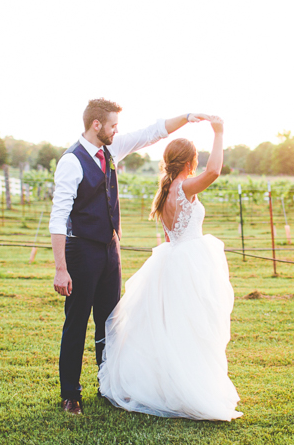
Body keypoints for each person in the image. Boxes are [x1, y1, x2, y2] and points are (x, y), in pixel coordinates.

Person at [48, 98, 206, 415]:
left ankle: (108, 386)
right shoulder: (72, 162)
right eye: (113, 125)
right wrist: (61, 269)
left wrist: (187, 118)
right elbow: (58, 216)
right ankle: (70, 395)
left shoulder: (112, 149)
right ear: (97, 125)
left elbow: (152, 132)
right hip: (81, 251)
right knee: (76, 323)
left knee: (111, 322)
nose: (117, 130)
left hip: (110, 249)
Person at [98, 117, 243, 421]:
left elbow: (170, 235)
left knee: (173, 326)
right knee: (192, 326)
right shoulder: (185, 187)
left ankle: (169, 382)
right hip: (189, 262)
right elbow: (215, 171)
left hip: (171, 261)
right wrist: (219, 132)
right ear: (191, 162)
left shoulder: (165, 192)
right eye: (196, 159)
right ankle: (187, 388)